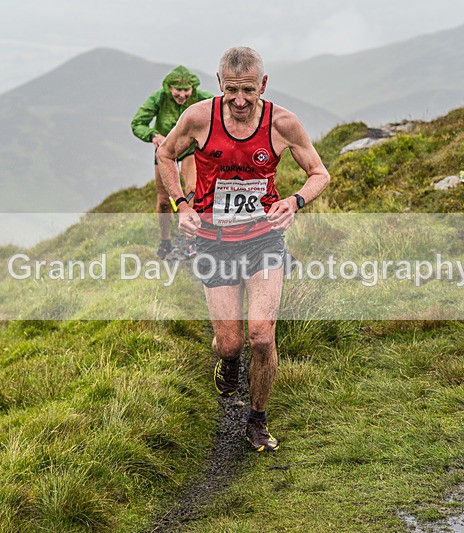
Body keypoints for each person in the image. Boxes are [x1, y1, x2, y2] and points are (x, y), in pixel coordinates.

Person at [156, 47, 330, 452]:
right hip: (213, 242)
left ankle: (257, 419)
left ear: (262, 86)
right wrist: (181, 205)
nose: (239, 100)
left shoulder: (284, 123)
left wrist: (295, 201)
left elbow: (319, 173)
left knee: (262, 336)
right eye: (231, 90)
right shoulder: (199, 118)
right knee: (230, 342)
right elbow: (165, 153)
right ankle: (229, 361)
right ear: (219, 84)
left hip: (263, 239)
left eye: (248, 91)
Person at [131, 65, 213, 259]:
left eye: (186, 90)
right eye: (178, 90)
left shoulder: (203, 98)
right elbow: (137, 123)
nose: (182, 94)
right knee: (164, 199)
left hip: (190, 149)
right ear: (169, 88)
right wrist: (152, 135)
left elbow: (223, 111)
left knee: (192, 189)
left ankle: (192, 240)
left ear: (193, 88)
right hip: (165, 149)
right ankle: (165, 241)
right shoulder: (159, 98)